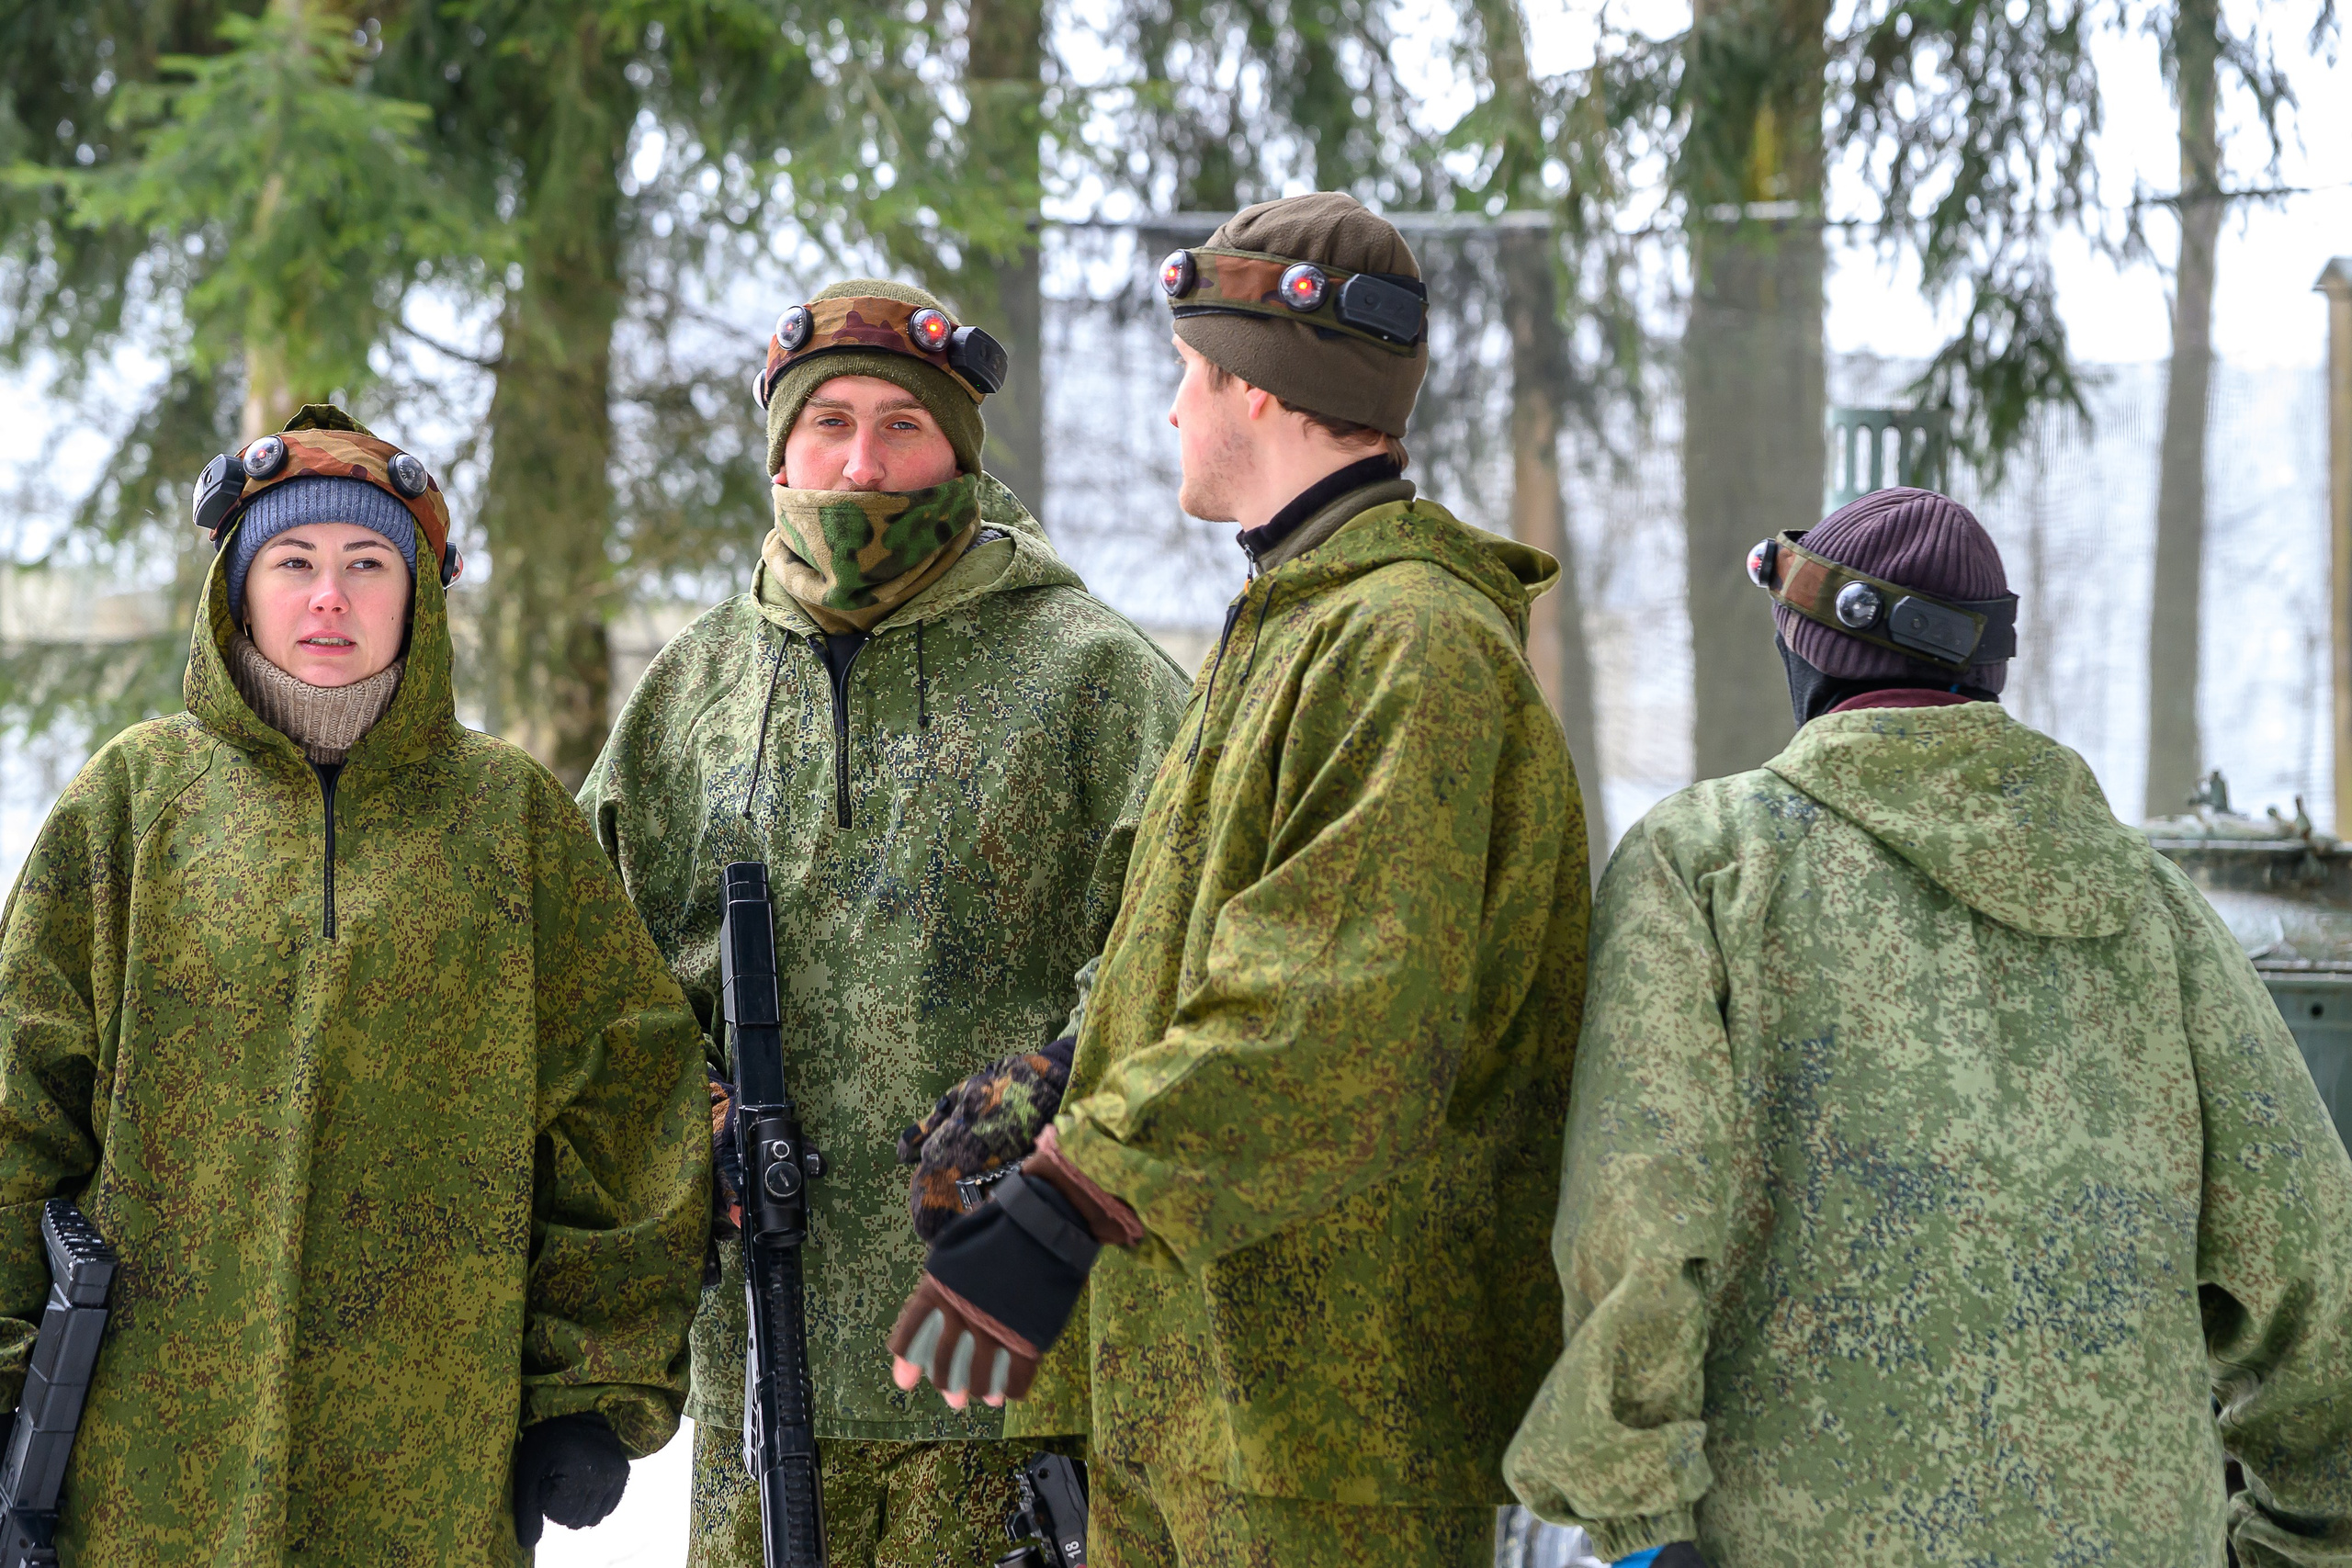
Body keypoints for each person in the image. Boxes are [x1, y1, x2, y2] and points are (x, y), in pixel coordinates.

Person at [886, 191, 1590, 1568]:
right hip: (1199, 1404)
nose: (1171, 410)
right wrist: (1060, 1082)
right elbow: (1212, 954)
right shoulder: (1292, 623)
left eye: (1189, 372)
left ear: (1256, 387)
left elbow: (1337, 1010)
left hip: (1328, 1431)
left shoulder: (1411, 647)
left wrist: (1073, 1196)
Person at [1503, 487, 2352, 1567]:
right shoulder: (2151, 905)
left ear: (1808, 653)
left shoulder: (1706, 863)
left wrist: (1639, 1526)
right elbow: (2309, 1251)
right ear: (1987, 669)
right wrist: (2303, 1539)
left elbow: (1636, 1212)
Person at [0, 404, 711, 1561]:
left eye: (367, 564)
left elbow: (629, 1107)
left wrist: (589, 1389)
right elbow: (17, 1104)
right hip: (149, 1478)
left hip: (430, 1474)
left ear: (418, 595)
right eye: (293, 562)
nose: (328, 597)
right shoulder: (130, 804)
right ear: (238, 589)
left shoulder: (508, 820)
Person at [577, 279, 1191, 1568]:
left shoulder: (1093, 677)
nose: (863, 465)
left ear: (959, 454)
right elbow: (585, 982)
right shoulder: (689, 694)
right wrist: (685, 1112)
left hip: (1009, 1366)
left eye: (904, 426)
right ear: (780, 454)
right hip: (763, 1375)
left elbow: (1184, 951)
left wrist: (1042, 1104)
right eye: (831, 424)